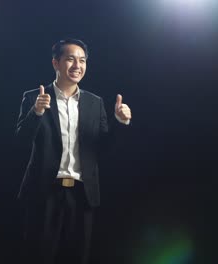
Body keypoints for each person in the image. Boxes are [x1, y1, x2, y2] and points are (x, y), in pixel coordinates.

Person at [15, 38, 132, 264]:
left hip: (82, 195)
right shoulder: (33, 97)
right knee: (37, 256)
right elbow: (20, 141)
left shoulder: (94, 103)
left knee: (78, 257)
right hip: (44, 193)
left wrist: (119, 122)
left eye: (82, 60)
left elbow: (103, 148)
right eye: (70, 59)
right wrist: (36, 112)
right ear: (55, 63)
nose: (77, 66)